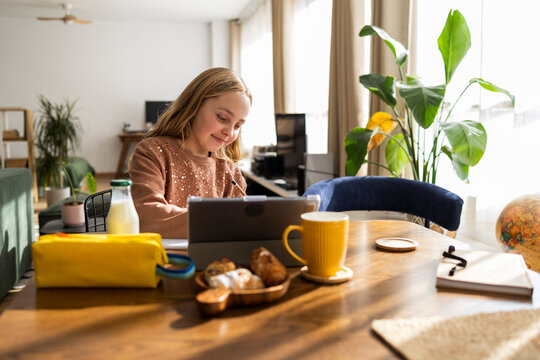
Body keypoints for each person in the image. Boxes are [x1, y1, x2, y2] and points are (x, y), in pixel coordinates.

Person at [130, 67, 251, 238]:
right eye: (222, 118)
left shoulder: (230, 173)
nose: (230, 132)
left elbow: (243, 227)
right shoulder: (153, 152)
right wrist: (220, 219)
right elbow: (146, 218)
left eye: (238, 125)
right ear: (195, 105)